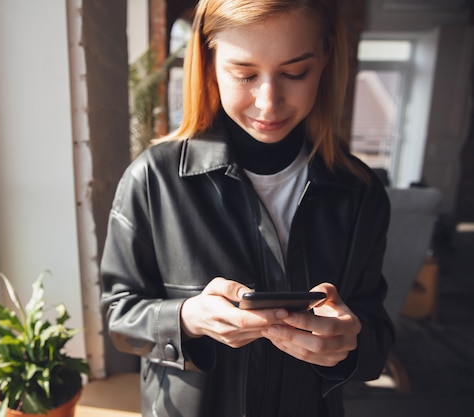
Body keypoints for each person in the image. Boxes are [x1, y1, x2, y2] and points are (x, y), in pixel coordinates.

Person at [100, 0, 394, 416]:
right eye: (245, 74)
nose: (268, 102)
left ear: (327, 56)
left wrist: (348, 344)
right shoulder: (153, 179)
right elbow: (118, 314)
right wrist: (188, 318)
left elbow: (377, 335)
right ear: (208, 61)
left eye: (295, 72)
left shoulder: (361, 192)